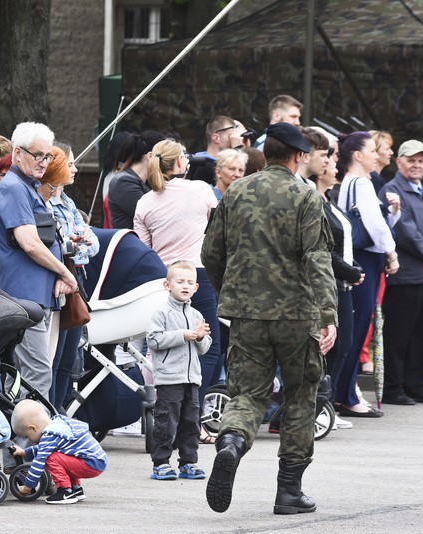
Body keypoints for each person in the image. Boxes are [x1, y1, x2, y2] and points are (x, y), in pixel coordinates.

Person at [201, 122, 337, 515]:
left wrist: (231, 289)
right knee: (299, 394)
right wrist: (328, 314)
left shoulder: (237, 190)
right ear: (298, 156)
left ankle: (230, 442)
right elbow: (317, 259)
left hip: (247, 313)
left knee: (247, 394)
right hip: (297, 315)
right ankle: (288, 491)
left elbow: (211, 252)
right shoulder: (305, 196)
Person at [133, 139, 221, 444]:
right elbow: (217, 225)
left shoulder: (145, 202)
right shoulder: (200, 190)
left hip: (162, 277)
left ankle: (168, 412)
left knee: (158, 346)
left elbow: (143, 248)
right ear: (180, 163)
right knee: (208, 345)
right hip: (196, 272)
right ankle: (192, 417)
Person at [0, 122, 77, 399]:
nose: (44, 162)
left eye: (48, 155)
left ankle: (18, 436)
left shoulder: (26, 186)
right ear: (17, 153)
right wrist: (65, 273)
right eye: (37, 155)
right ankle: (26, 440)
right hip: (26, 297)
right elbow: (30, 243)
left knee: (28, 374)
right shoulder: (15, 187)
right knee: (37, 373)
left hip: (34, 296)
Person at [337, 132, 401, 409]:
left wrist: (393, 213)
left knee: (358, 326)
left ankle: (347, 390)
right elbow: (374, 225)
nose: (377, 155)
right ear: (358, 155)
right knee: (359, 325)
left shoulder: (354, 183)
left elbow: (376, 220)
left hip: (361, 256)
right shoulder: (360, 183)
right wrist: (392, 252)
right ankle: (346, 394)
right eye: (372, 150)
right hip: (366, 259)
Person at [309, 151, 365, 428]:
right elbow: (324, 251)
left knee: (343, 345)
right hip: (330, 282)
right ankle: (319, 405)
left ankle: (325, 403)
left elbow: (341, 245)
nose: (335, 167)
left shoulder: (329, 200)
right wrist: (351, 271)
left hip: (342, 282)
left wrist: (353, 269)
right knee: (334, 345)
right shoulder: (314, 202)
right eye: (330, 163)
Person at [44, 143, 99, 412]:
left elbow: (93, 243)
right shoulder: (45, 204)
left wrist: (77, 245)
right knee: (54, 355)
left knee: (68, 357)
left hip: (76, 280)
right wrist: (76, 245)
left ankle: (59, 410)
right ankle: (50, 412)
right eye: (70, 164)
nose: (75, 169)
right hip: (58, 281)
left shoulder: (69, 203)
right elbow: (62, 245)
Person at [146, 260, 211, 481]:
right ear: (167, 285)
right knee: (166, 422)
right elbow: (153, 340)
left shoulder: (196, 314)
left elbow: (204, 348)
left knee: (191, 422)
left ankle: (188, 462)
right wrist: (182, 335)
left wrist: (201, 337)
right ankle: (161, 463)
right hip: (169, 378)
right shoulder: (161, 313)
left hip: (192, 378)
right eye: (179, 281)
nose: (185, 286)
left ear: (196, 287)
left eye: (190, 282)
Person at [379, 140, 423, 405]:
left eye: (421, 160)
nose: (417, 165)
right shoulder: (391, 191)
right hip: (404, 276)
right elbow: (407, 234)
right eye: (411, 160)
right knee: (399, 335)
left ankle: (415, 383)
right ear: (399, 162)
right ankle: (393, 388)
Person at [10, 399, 106, 505]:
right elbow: (44, 448)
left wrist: (28, 486)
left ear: (33, 428)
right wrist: (25, 453)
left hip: (91, 463)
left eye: (27, 436)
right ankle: (76, 489)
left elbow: (39, 460)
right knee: (63, 457)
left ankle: (65, 491)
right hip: (97, 460)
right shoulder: (57, 426)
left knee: (51, 458)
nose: (29, 440)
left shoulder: (50, 435)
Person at [106, 131, 165, 229]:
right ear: (150, 156)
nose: (167, 161)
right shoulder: (123, 182)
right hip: (132, 243)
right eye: (165, 157)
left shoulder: (147, 181)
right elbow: (154, 216)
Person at [192, 116, 244, 185]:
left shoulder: (197, 160)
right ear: (216, 138)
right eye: (231, 136)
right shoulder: (207, 168)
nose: (234, 139)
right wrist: (238, 149)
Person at [368, 130, 393, 194]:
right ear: (374, 151)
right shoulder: (373, 179)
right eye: (387, 149)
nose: (391, 153)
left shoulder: (377, 178)